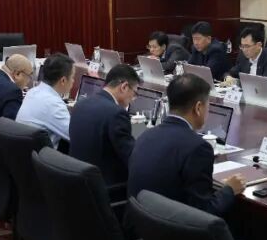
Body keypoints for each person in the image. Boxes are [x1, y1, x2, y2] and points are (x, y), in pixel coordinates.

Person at [128, 74, 245, 216]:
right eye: (208, 106)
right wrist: (229, 190)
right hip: (172, 226)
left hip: (141, 221)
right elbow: (204, 212)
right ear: (198, 108)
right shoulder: (198, 148)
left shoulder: (145, 135)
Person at [66, 64, 141, 186]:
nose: (133, 99)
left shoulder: (80, 104)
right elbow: (131, 157)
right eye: (135, 93)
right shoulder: (117, 114)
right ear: (124, 87)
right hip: (105, 187)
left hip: (77, 180)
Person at [16, 54, 74, 147]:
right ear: (63, 80)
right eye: (72, 77)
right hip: (39, 154)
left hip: (22, 150)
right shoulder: (54, 104)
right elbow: (77, 136)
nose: (73, 81)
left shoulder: (32, 92)